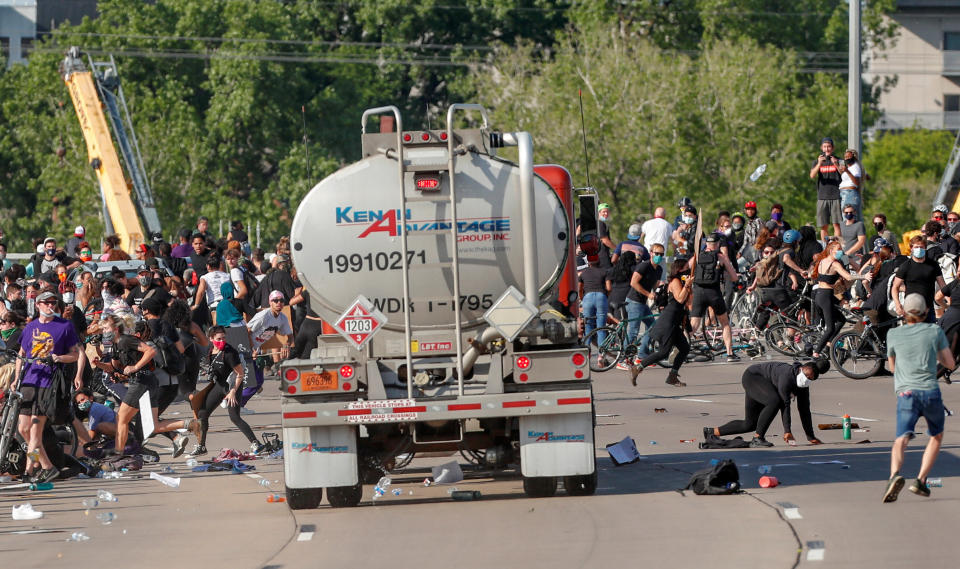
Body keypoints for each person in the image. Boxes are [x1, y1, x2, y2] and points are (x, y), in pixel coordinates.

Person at [882, 294, 956, 502]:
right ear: (925, 312)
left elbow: (892, 367)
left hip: (906, 393)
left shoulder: (893, 334)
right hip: (930, 391)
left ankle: (894, 475)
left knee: (901, 438)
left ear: (903, 313)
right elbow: (949, 363)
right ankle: (921, 480)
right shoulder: (934, 331)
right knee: (936, 435)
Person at [15, 291, 81, 483]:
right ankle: (45, 466)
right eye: (46, 302)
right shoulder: (30, 326)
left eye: (53, 302)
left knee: (35, 432)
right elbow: (22, 353)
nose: (50, 305)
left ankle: (30, 469)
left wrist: (59, 358)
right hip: (29, 382)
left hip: (48, 384)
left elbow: (75, 354)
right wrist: (16, 378)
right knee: (24, 430)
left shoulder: (65, 326)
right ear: (38, 305)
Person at [704, 360, 826, 448]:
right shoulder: (787, 376)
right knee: (775, 401)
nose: (807, 379)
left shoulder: (804, 386)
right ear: (801, 368)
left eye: (811, 378)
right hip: (753, 377)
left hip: (764, 385)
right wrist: (787, 430)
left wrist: (811, 436)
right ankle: (758, 438)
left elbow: (804, 410)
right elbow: (785, 405)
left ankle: (712, 432)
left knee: (749, 424)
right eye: (806, 375)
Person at [188, 326, 261, 457]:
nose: (222, 341)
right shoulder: (210, 351)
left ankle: (256, 443)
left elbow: (240, 374)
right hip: (219, 385)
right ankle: (201, 446)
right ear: (211, 339)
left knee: (234, 417)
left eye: (224, 338)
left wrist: (233, 391)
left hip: (233, 385)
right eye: (218, 339)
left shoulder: (229, 353)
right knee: (202, 413)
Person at [631, 260, 691, 387]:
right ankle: (638, 367)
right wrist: (687, 286)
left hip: (676, 320)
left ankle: (673, 376)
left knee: (685, 348)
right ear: (679, 270)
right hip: (669, 320)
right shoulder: (675, 281)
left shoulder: (683, 282)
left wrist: (690, 286)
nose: (688, 270)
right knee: (663, 352)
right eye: (686, 268)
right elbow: (680, 299)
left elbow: (688, 301)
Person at [688, 234, 739, 362]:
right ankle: (730, 353)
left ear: (706, 244)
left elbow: (688, 268)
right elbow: (734, 277)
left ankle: (680, 350)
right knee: (725, 323)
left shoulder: (697, 256)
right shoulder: (720, 257)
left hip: (699, 292)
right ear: (717, 244)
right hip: (714, 293)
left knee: (693, 325)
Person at [810, 239, 861, 359]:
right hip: (826, 296)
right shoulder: (835, 264)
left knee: (841, 320)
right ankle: (816, 352)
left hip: (819, 294)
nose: (840, 252)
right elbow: (848, 276)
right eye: (838, 250)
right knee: (830, 327)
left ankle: (829, 344)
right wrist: (864, 276)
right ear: (831, 250)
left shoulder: (822, 261)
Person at [892, 236, 946, 324]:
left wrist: (950, 299)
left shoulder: (933, 265)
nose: (919, 249)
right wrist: (897, 304)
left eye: (921, 247)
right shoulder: (905, 266)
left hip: (928, 308)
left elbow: (942, 285)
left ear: (925, 248)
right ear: (911, 248)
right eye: (916, 247)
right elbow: (895, 287)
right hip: (911, 309)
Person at [626, 244, 664, 364]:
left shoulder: (659, 269)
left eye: (661, 254)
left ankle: (642, 355)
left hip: (643, 302)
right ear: (651, 253)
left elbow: (654, 285)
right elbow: (633, 283)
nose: (659, 256)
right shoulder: (644, 265)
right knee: (633, 331)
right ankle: (623, 359)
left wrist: (662, 288)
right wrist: (648, 294)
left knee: (652, 327)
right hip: (634, 301)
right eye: (656, 253)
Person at [810, 137, 843, 241]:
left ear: (832, 148)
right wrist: (819, 163)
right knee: (823, 225)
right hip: (822, 196)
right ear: (821, 148)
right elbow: (812, 175)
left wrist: (836, 164)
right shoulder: (817, 161)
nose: (827, 149)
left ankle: (837, 246)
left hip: (836, 196)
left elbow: (844, 174)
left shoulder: (839, 160)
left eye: (829, 146)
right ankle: (825, 247)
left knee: (836, 224)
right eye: (824, 146)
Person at [838, 148, 863, 221]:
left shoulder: (855, 167)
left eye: (849, 157)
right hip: (843, 193)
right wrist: (837, 164)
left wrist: (847, 171)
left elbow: (856, 182)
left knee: (850, 218)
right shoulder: (849, 168)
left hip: (850, 193)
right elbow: (845, 176)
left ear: (853, 157)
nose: (847, 158)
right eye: (845, 157)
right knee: (845, 218)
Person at [840, 204, 867, 268]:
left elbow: (861, 241)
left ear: (854, 212)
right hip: (843, 258)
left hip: (856, 259)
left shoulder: (859, 225)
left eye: (850, 212)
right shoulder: (841, 224)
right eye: (846, 212)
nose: (849, 214)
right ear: (843, 213)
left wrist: (848, 252)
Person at [597, 203, 615, 269]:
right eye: (604, 212)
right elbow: (604, 240)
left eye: (607, 212)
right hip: (602, 255)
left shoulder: (601, 223)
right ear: (599, 212)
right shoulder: (600, 223)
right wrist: (617, 249)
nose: (606, 214)